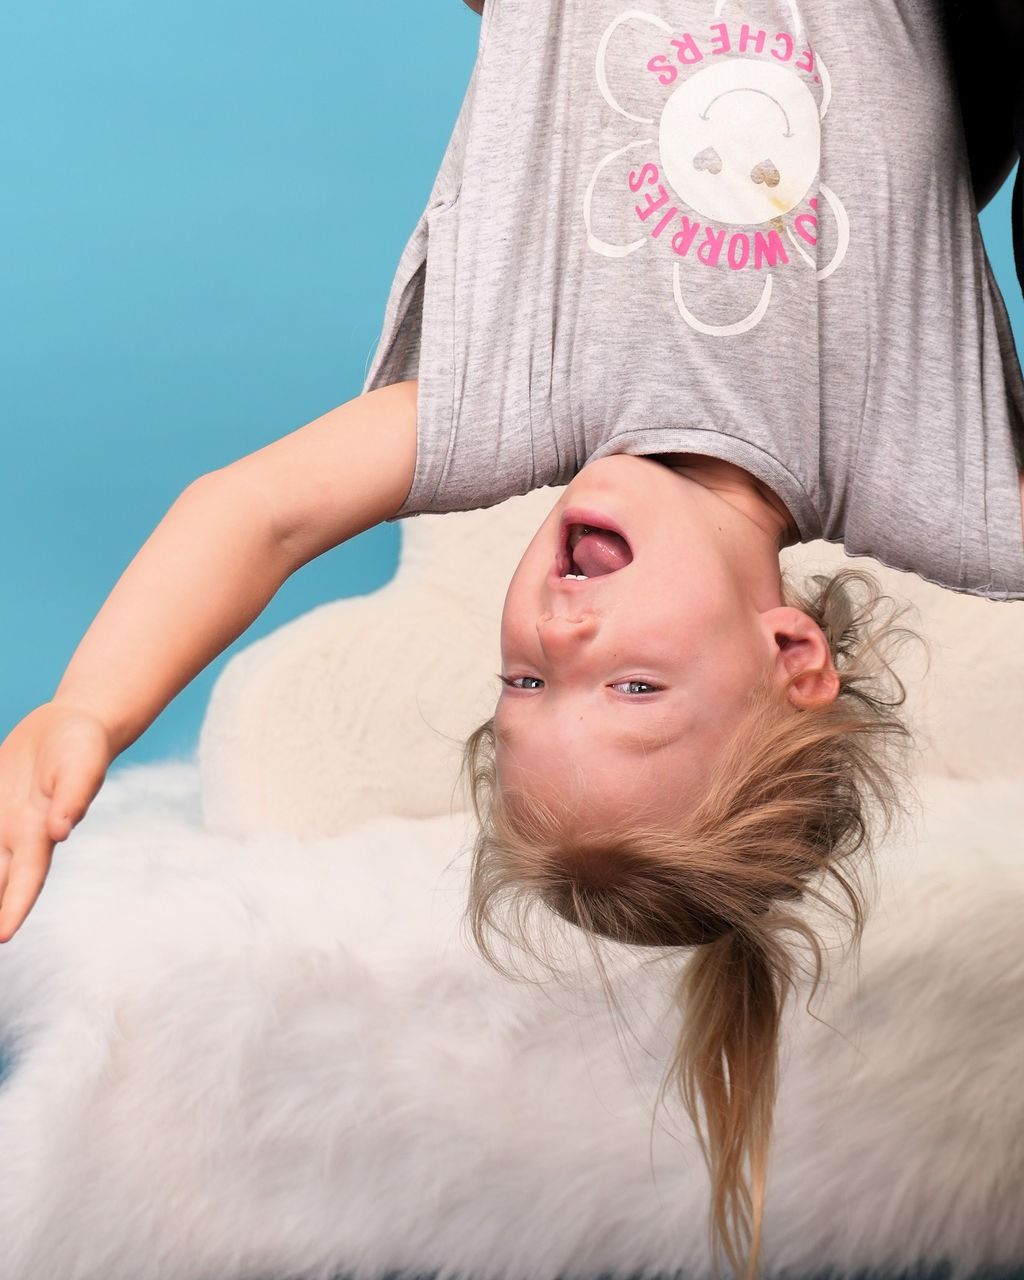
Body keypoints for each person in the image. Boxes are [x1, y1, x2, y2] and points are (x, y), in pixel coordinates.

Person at [1, 1, 1021, 1276]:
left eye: (527, 680)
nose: (558, 624)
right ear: (791, 658)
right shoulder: (944, 480)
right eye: (632, 682)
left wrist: (89, 708)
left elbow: (258, 513)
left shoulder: (516, 403)